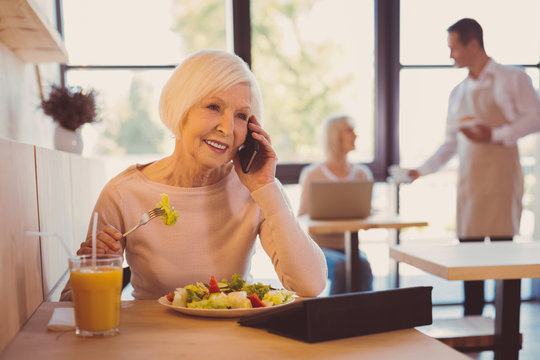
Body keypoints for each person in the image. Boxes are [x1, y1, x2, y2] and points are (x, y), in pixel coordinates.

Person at [61, 49, 327, 300]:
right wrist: (94, 267)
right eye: (213, 107)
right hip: (153, 341)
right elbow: (70, 307)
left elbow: (311, 284)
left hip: (234, 339)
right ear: (180, 109)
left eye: (241, 116)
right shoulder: (123, 193)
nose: (227, 128)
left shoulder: (256, 190)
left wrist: (266, 187)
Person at [405, 18, 540, 315]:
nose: (450, 55)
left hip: (503, 181)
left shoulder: (512, 79)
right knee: (469, 260)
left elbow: (535, 118)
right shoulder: (457, 93)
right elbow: (450, 144)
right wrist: (421, 170)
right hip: (471, 184)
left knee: (506, 257)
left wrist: (493, 134)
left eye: (454, 48)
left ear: (473, 44)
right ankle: (473, 327)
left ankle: (507, 328)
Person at [298, 115, 373, 294]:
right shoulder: (313, 174)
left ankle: (367, 319)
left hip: (351, 246)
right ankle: (333, 320)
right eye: (349, 130)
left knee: (362, 265)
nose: (355, 136)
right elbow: (302, 216)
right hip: (320, 248)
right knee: (342, 267)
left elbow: (367, 213)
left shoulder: (362, 174)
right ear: (334, 135)